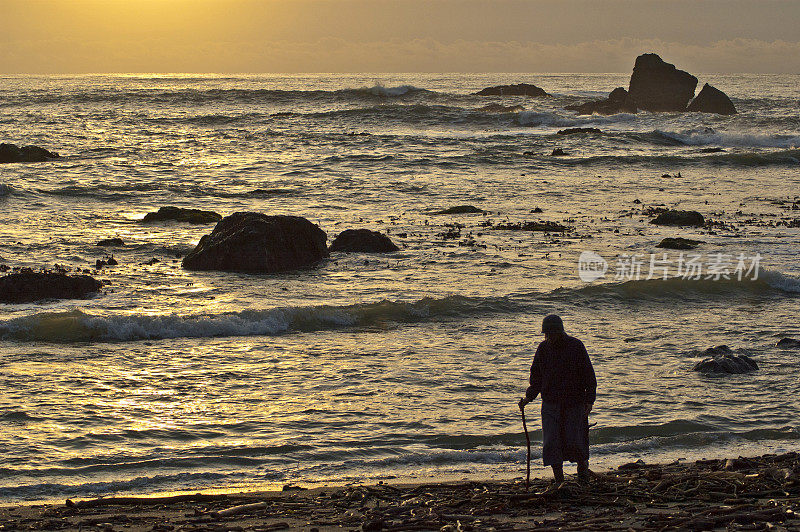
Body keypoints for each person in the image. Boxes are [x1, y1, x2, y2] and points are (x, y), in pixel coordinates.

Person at [519, 314, 597, 483]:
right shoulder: (543, 349)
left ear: (561, 332)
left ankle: (583, 478)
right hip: (550, 405)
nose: (550, 337)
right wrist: (528, 397)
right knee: (551, 444)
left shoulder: (576, 346)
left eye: (553, 333)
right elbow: (537, 378)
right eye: (547, 334)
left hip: (575, 403)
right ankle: (559, 482)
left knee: (576, 443)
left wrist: (590, 401)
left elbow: (589, 376)